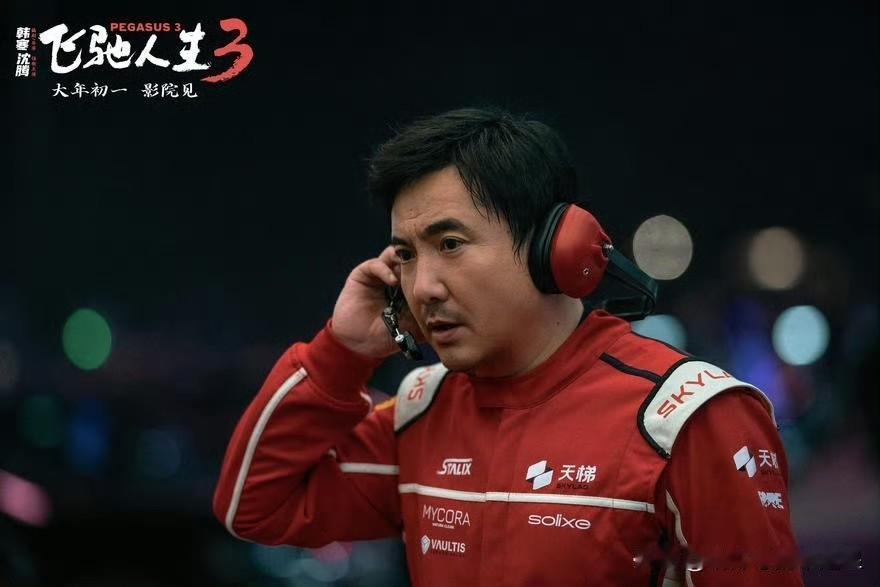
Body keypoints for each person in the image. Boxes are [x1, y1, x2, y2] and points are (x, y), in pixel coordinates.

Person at [213, 108, 804, 586]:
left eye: (450, 243)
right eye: (406, 255)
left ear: (558, 247)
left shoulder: (688, 419)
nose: (423, 287)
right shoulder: (422, 408)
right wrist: (342, 353)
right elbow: (254, 506)